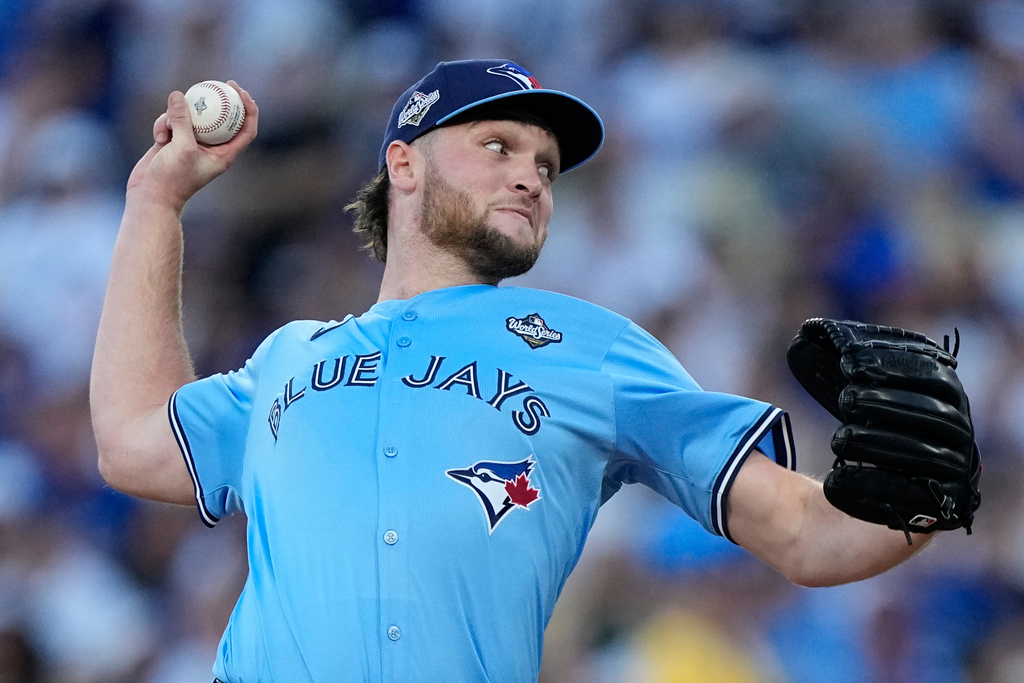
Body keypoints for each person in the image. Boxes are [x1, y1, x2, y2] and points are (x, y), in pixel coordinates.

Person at [90, 60, 965, 682]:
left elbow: (809, 535)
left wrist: (913, 502)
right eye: (499, 146)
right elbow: (133, 440)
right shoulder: (291, 356)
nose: (533, 177)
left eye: (546, 166)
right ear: (404, 161)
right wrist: (156, 200)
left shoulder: (595, 348)